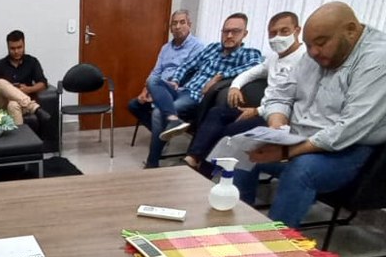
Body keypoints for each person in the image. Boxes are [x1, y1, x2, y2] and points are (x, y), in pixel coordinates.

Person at [233, 1, 386, 227]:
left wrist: (286, 151)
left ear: (350, 30)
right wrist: (276, 128)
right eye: (309, 45)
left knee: (301, 170)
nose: (313, 52)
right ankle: (236, 228)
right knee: (246, 148)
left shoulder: (383, 60)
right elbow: (280, 94)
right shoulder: (314, 52)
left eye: (321, 43)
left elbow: (349, 128)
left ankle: (273, 244)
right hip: (300, 137)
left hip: (356, 148)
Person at [182, 11, 308, 174]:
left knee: (229, 132)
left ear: (297, 31)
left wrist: (257, 111)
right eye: (273, 33)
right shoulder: (274, 58)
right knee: (217, 113)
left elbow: (291, 99)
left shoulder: (306, 60)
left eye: (284, 31)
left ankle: (204, 175)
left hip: (280, 120)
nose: (277, 37)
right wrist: (235, 86)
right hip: (261, 111)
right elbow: (250, 73)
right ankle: (193, 157)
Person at [148, 13, 262, 168]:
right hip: (183, 89)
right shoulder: (212, 48)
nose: (229, 35)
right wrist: (175, 80)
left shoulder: (249, 53)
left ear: (245, 34)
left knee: (158, 111)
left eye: (235, 31)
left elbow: (254, 67)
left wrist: (219, 77)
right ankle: (173, 121)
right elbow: (187, 65)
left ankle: (152, 163)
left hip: (197, 96)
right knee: (152, 81)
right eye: (226, 31)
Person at [127, 9, 205, 139]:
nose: (177, 27)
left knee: (158, 110)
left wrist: (160, 90)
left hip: (179, 90)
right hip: (159, 87)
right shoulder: (165, 48)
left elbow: (188, 73)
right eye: (174, 23)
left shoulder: (198, 46)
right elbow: (156, 71)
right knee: (134, 105)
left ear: (189, 25)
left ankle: (163, 135)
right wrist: (146, 90)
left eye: (182, 22)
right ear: (170, 28)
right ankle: (163, 134)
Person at [0, 30, 49, 125]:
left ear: (24, 45)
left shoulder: (32, 62)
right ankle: (34, 107)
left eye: (19, 47)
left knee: (13, 105)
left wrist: (28, 89)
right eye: (12, 48)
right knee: (0, 83)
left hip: (21, 105)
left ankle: (20, 135)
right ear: (8, 47)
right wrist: (9, 92)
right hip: (0, 106)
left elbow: (43, 83)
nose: (16, 51)